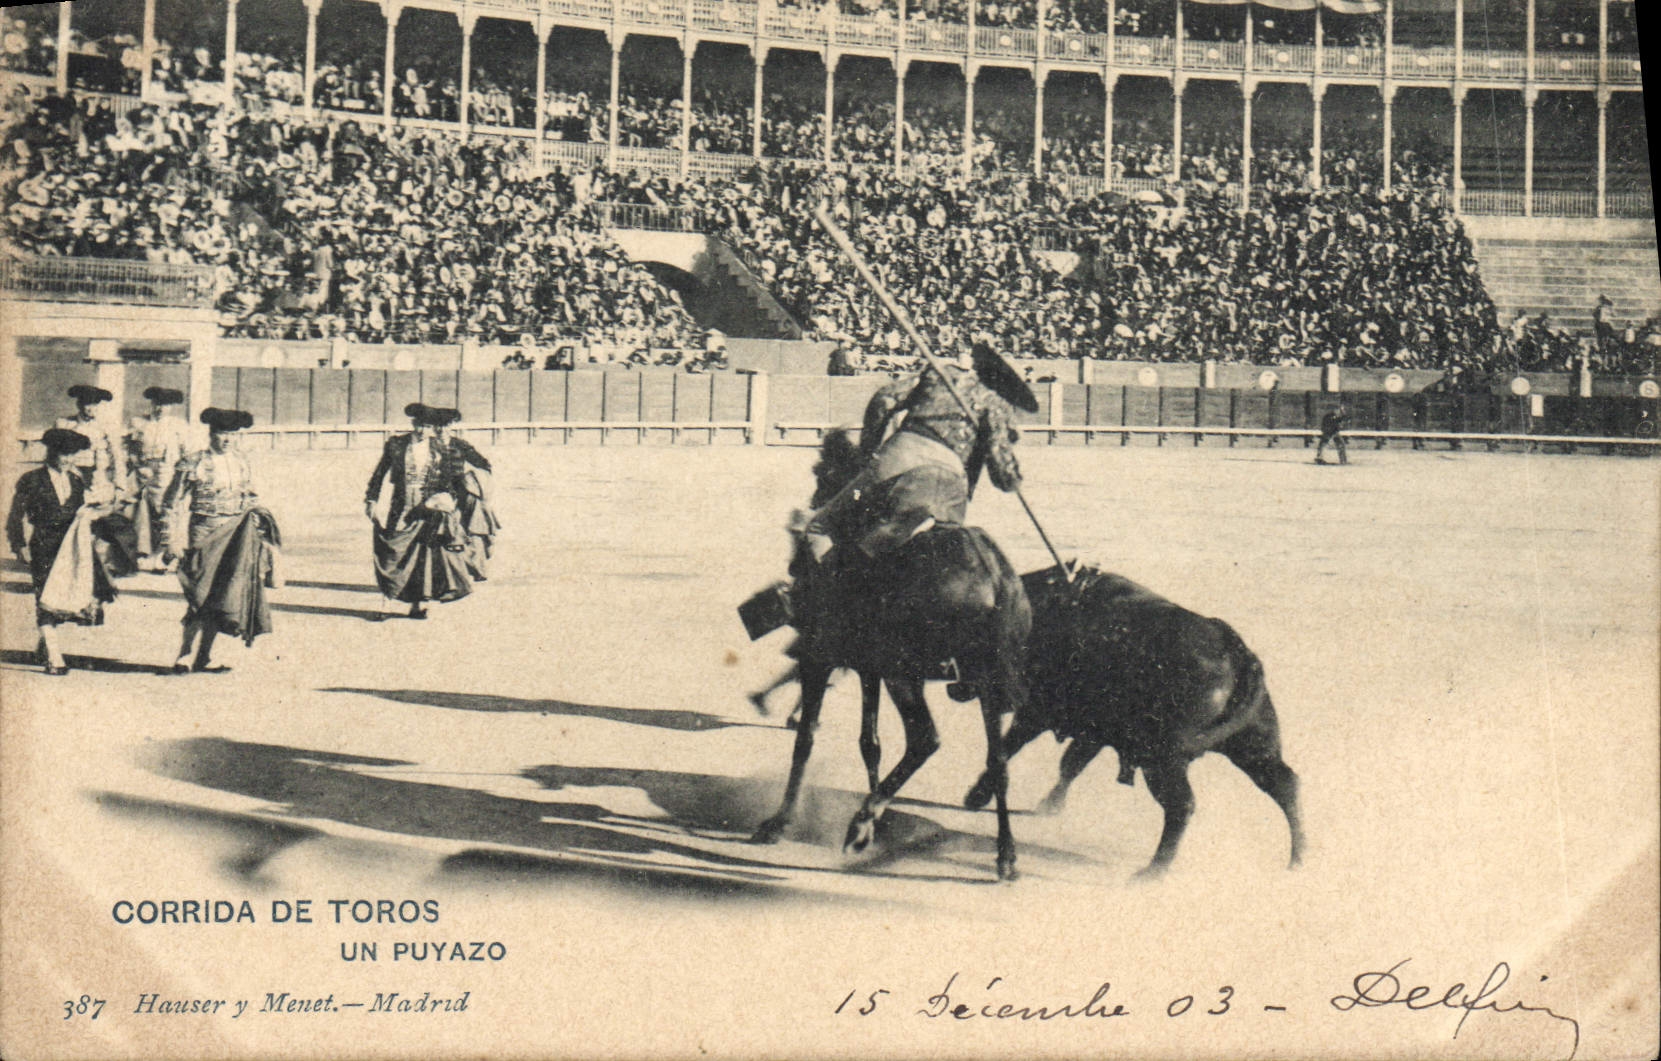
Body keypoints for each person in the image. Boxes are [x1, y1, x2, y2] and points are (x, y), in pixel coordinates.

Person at [800, 341, 1033, 565]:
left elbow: (884, 400)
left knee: (819, 527)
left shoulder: (941, 376)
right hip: (951, 484)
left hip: (899, 459)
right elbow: (1003, 475)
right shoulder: (996, 405)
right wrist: (1014, 480)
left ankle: (831, 593)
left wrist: (868, 452)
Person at [162, 408, 280, 673]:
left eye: (232, 434)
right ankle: (185, 653)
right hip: (203, 531)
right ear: (210, 434)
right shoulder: (192, 462)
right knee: (199, 593)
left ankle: (203, 656)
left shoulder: (242, 462)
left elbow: (250, 497)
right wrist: (170, 540)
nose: (226, 439)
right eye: (221, 433)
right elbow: (171, 504)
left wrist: (258, 522)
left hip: (235, 533)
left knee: (223, 594)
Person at [6, 429, 118, 674]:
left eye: (71, 455)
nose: (66, 460)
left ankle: (45, 645)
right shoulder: (32, 479)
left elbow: (81, 513)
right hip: (44, 544)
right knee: (45, 598)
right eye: (61, 454)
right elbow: (16, 515)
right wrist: (19, 545)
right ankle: (55, 659)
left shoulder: (76, 480)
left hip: (71, 548)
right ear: (50, 452)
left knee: (62, 597)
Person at [364, 403, 471, 618]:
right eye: (420, 425)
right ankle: (386, 603)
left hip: (427, 508)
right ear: (413, 424)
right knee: (393, 552)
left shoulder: (441, 449)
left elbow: (448, 482)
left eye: (428, 426)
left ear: (433, 428)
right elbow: (379, 474)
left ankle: (417, 604)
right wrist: (371, 500)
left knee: (423, 556)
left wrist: (445, 500)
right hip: (400, 505)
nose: (423, 430)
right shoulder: (396, 444)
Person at [429, 408, 498, 582]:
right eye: (438, 426)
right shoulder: (427, 446)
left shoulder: (460, 445)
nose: (441, 430)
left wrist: (474, 483)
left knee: (476, 524)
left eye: (445, 426)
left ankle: (477, 567)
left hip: (462, 492)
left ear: (451, 426)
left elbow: (484, 465)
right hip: (436, 495)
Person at [125, 386, 189, 570]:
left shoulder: (179, 426)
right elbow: (130, 449)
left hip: (166, 472)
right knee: (140, 511)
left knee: (165, 511)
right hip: (142, 472)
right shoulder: (139, 423)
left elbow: (187, 453)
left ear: (171, 407)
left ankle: (165, 555)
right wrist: (137, 465)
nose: (161, 409)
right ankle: (141, 552)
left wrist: (180, 475)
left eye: (166, 405)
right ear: (152, 404)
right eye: (158, 404)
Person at [57, 384, 128, 501]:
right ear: (79, 405)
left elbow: (117, 457)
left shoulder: (106, 427)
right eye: (87, 404)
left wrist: (120, 486)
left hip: (98, 478)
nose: (91, 409)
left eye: (95, 404)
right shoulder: (65, 425)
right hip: (71, 475)